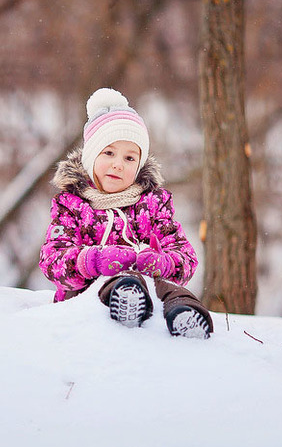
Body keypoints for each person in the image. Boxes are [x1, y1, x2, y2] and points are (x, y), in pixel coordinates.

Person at [39, 87, 213, 339]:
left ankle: (185, 315)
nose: (118, 164)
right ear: (90, 157)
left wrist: (163, 263)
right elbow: (52, 260)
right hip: (86, 293)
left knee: (169, 288)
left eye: (130, 158)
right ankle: (126, 299)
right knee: (122, 280)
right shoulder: (72, 205)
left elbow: (185, 257)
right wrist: (92, 260)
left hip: (149, 286)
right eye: (108, 153)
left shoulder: (152, 204)